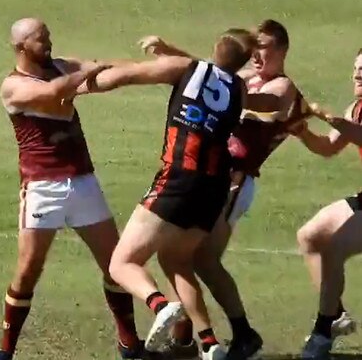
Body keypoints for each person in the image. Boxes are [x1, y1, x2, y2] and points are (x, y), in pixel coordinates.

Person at [136, 19, 333, 359]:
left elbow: (251, 100)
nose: (258, 54)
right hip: (214, 178)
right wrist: (170, 52)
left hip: (236, 183)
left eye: (267, 47)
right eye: (255, 47)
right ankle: (193, 337)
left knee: (201, 259)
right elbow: (211, 77)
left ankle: (233, 335)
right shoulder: (244, 79)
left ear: (283, 50)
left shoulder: (283, 88)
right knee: (188, 257)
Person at [82, 28, 258, 360]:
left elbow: (128, 75)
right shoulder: (239, 88)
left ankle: (159, 304)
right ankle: (209, 344)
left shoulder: (187, 69)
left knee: (121, 263)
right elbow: (210, 71)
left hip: (180, 178)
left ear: (215, 46)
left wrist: (79, 87)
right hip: (214, 188)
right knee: (176, 260)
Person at [0, 17, 148, 360]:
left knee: (116, 263)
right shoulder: (13, 86)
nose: (49, 43)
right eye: (41, 39)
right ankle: (5, 351)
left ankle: (129, 344)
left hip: (83, 181)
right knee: (29, 270)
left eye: (49, 37)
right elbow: (52, 92)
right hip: (42, 186)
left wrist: (141, 69)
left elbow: (97, 70)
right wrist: (84, 76)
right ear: (20, 46)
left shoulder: (61, 66)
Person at [293, 48, 362, 359]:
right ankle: (336, 314)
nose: (358, 74)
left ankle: (321, 334)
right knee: (311, 236)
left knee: (334, 244)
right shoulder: (357, 109)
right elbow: (328, 147)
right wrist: (302, 131)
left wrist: (326, 115)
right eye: (356, 68)